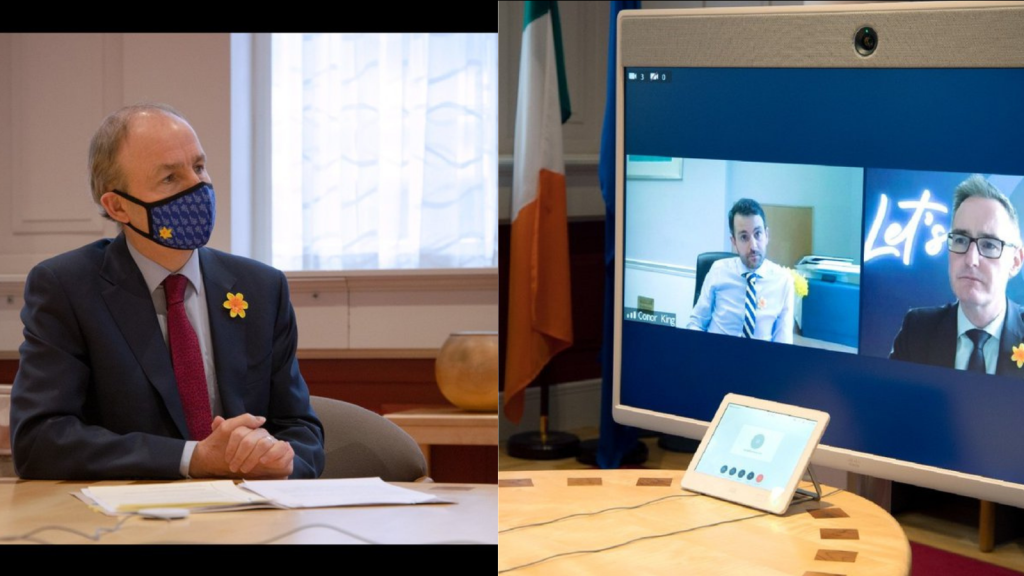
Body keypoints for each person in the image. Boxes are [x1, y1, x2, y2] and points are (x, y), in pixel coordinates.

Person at [10, 104, 325, 480]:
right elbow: (40, 440)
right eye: (170, 178)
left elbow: (301, 430)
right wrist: (194, 458)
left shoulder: (261, 287)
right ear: (118, 206)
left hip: (253, 516)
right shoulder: (67, 288)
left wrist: (282, 461)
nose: (198, 187)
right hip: (129, 521)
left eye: (199, 166)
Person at [890, 175, 1024, 374]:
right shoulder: (917, 330)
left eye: (988, 245)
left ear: (1015, 261)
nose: (971, 259)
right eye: (961, 240)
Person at [686, 198, 794, 343]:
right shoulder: (718, 271)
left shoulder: (783, 281)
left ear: (766, 235)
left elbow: (783, 343)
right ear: (734, 242)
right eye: (744, 237)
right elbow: (696, 323)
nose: (753, 246)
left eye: (758, 234)